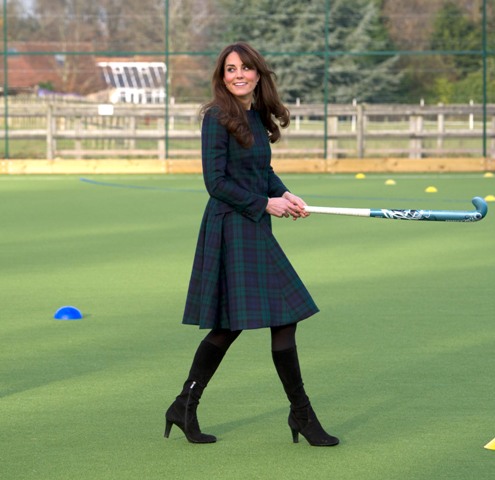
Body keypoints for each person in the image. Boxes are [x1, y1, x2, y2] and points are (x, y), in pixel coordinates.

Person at [164, 42, 339, 447]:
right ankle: (300, 415)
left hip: (254, 225)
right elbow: (216, 183)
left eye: (245, 68)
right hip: (231, 226)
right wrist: (265, 204)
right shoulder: (216, 117)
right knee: (258, 319)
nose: (238, 75)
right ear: (222, 77)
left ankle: (185, 405)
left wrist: (285, 193)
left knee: (249, 322)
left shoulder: (257, 116)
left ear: (258, 74)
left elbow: (263, 171)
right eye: (230, 69)